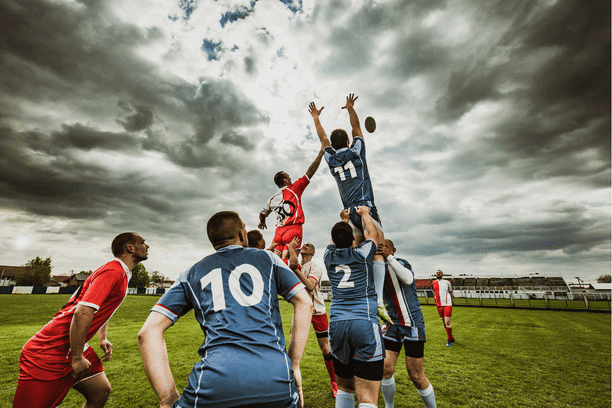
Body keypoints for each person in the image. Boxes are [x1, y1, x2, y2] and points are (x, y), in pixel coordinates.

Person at [138, 211, 313, 408]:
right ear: (241, 234)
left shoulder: (191, 273)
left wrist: (167, 398)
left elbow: (148, 332)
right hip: (276, 378)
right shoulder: (269, 259)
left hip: (213, 383)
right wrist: (294, 364)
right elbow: (305, 303)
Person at [13, 233, 150, 408]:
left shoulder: (120, 272)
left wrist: (103, 338)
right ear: (129, 248)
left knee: (100, 391)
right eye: (143, 242)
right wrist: (77, 358)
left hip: (71, 346)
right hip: (49, 351)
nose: (147, 246)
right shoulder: (113, 271)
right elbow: (83, 311)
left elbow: (98, 308)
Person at [309, 95, 391, 325]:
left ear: (333, 145)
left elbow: (322, 137)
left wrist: (316, 117)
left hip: (348, 212)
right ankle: (378, 303)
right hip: (365, 208)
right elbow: (356, 127)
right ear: (347, 141)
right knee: (377, 251)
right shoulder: (356, 151)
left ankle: (357, 298)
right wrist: (351, 108)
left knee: (354, 252)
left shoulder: (331, 158)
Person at [323, 206, 384, 408]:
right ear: (352, 240)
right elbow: (373, 235)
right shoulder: (362, 253)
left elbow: (335, 239)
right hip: (364, 322)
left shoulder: (328, 256)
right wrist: (365, 215)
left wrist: (344, 219)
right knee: (367, 395)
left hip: (338, 325)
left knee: (344, 388)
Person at [378, 240, 436, 408]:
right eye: (379, 246)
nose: (381, 248)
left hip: (411, 324)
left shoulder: (401, 263)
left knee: (416, 375)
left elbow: (408, 279)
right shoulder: (377, 268)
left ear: (393, 250)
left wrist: (389, 257)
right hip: (391, 324)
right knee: (385, 369)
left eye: (385, 246)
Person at [259, 133, 330, 259]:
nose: (290, 177)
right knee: (289, 262)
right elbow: (310, 172)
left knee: (277, 261)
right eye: (288, 176)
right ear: (285, 180)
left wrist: (262, 222)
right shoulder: (294, 188)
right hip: (293, 229)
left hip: (278, 233)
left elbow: (262, 213)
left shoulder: (271, 200)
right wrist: (321, 153)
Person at [291, 242, 338, 397]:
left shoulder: (315, 266)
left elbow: (311, 285)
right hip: (301, 311)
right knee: (294, 350)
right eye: (303, 244)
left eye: (308, 245)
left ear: (312, 251)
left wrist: (296, 270)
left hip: (317, 311)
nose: (304, 245)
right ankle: (291, 383)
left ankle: (334, 382)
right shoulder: (294, 265)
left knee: (326, 349)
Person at [432, 269, 455, 347]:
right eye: (437, 273)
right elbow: (433, 292)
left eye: (440, 273)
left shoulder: (447, 282)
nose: (438, 274)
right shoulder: (433, 283)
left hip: (447, 304)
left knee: (447, 322)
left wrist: (451, 301)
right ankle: (451, 337)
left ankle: (448, 340)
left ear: (442, 274)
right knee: (444, 322)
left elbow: (450, 292)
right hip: (439, 305)